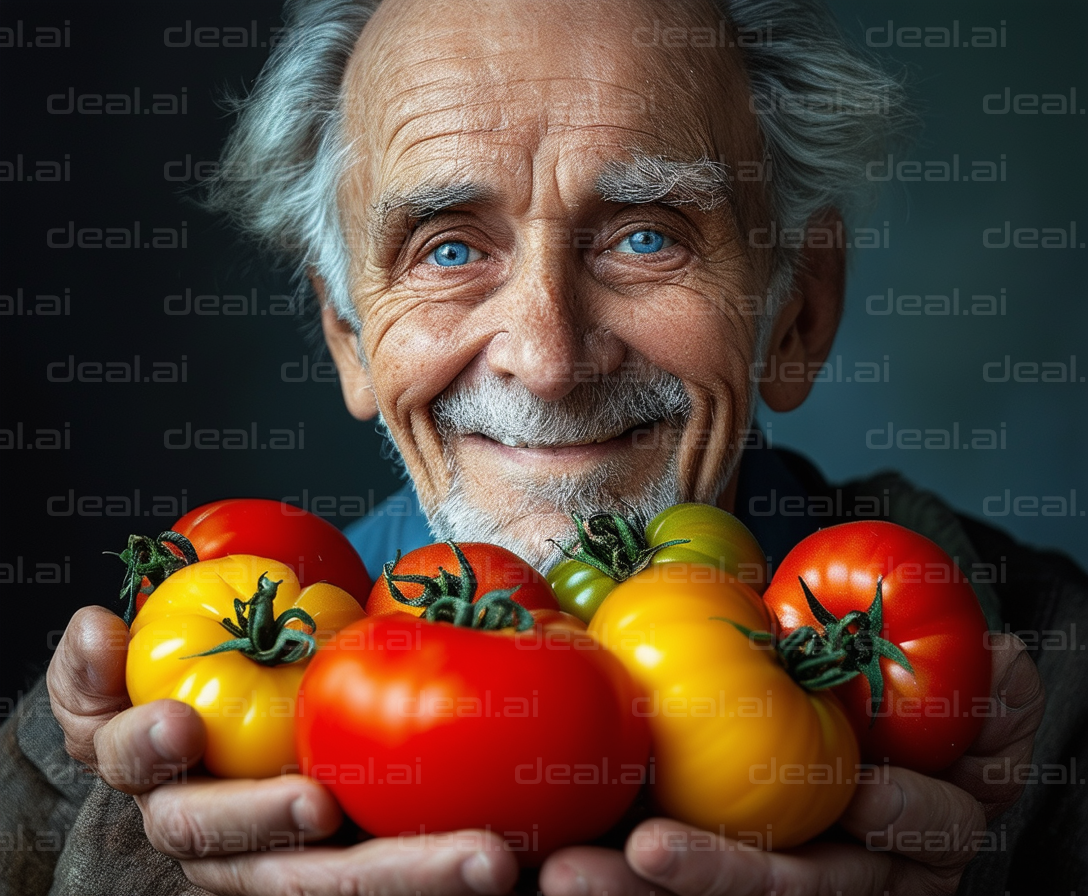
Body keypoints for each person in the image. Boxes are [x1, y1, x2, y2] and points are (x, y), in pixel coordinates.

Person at [3, 0, 1083, 893]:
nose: (548, 357)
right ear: (348, 339)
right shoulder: (122, 756)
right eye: (450, 247)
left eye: (646, 233)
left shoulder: (1050, 682)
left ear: (795, 308)